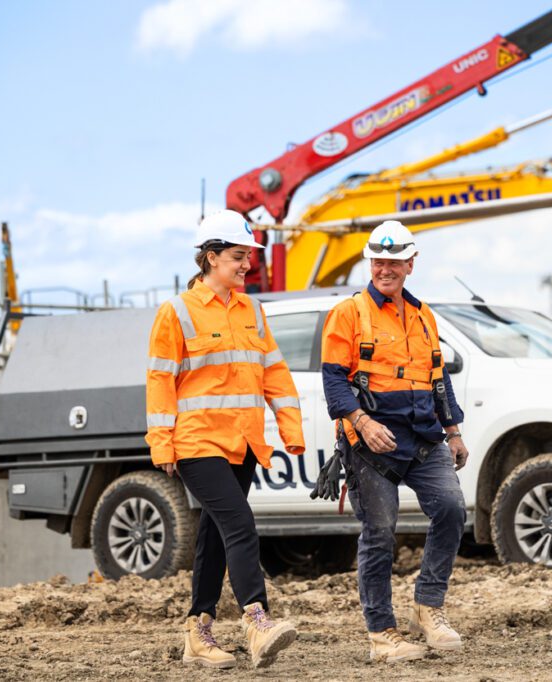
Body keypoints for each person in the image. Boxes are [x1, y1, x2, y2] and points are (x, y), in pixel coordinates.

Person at [145, 210, 304, 669]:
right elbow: (159, 380)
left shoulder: (252, 309)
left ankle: (198, 631)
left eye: (246, 256)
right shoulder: (175, 312)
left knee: (214, 537)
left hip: (243, 442)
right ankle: (257, 619)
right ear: (211, 258)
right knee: (239, 524)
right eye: (238, 256)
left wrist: (290, 429)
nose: (246, 265)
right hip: (196, 443)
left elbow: (273, 371)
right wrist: (163, 444)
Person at [321, 220, 469, 663]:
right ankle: (382, 634)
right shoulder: (348, 313)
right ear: (371, 262)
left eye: (394, 262)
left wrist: (454, 431)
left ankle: (429, 607)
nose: (385, 269)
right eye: (378, 261)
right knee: (380, 532)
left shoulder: (423, 315)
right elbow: (333, 382)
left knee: (451, 509)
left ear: (410, 263)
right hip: (372, 443)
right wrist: (362, 423)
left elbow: (436, 377)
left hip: (424, 436)